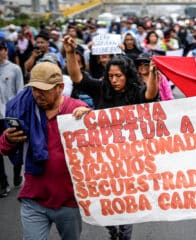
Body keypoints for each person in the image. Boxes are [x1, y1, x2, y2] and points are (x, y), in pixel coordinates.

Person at [64, 35, 159, 240]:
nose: (114, 80)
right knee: (106, 199)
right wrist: (70, 53)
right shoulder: (101, 89)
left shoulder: (136, 92)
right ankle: (113, 229)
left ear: (127, 75)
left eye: (118, 76)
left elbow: (150, 96)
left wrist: (153, 77)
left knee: (125, 202)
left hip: (130, 159)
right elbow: (77, 77)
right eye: (111, 76)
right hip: (102, 158)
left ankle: (123, 232)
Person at [0, 61, 90, 239]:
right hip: (33, 199)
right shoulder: (24, 110)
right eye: (34, 89)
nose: (37, 94)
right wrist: (8, 139)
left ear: (60, 87)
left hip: (68, 201)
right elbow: (3, 147)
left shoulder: (75, 109)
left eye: (44, 89)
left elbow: (98, 143)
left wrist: (88, 116)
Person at [0, 40, 24, 197]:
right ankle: (3, 183)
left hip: (9, 117)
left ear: (5, 51)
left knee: (13, 151)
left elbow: (20, 92)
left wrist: (19, 114)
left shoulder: (14, 69)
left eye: (1, 49)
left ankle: (17, 171)